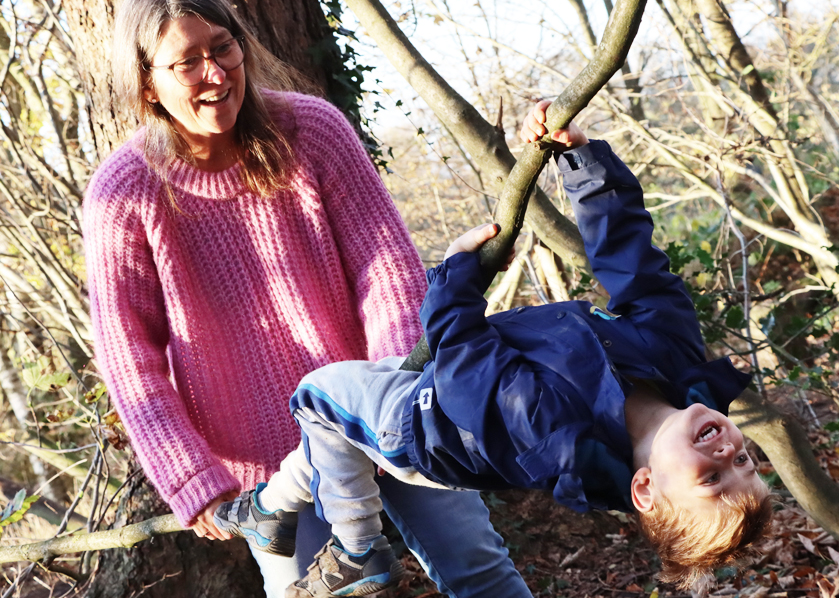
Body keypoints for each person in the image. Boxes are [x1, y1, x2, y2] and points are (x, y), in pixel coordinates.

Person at [82, 0, 534, 597]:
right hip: (275, 471)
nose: (215, 73)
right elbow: (129, 362)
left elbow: (386, 271)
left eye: (223, 47)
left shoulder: (313, 132)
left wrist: (395, 390)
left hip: (379, 410)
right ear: (147, 82)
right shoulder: (124, 195)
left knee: (479, 570)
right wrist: (191, 477)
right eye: (186, 62)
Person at [214, 109, 773, 597]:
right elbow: (639, 270)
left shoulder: (559, 438)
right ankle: (270, 509)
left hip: (423, 428)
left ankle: (358, 546)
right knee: (333, 435)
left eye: (711, 479)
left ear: (646, 488)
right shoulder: (673, 359)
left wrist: (456, 279)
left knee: (320, 397)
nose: (728, 454)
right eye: (744, 462)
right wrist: (582, 165)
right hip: (447, 386)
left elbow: (468, 366)